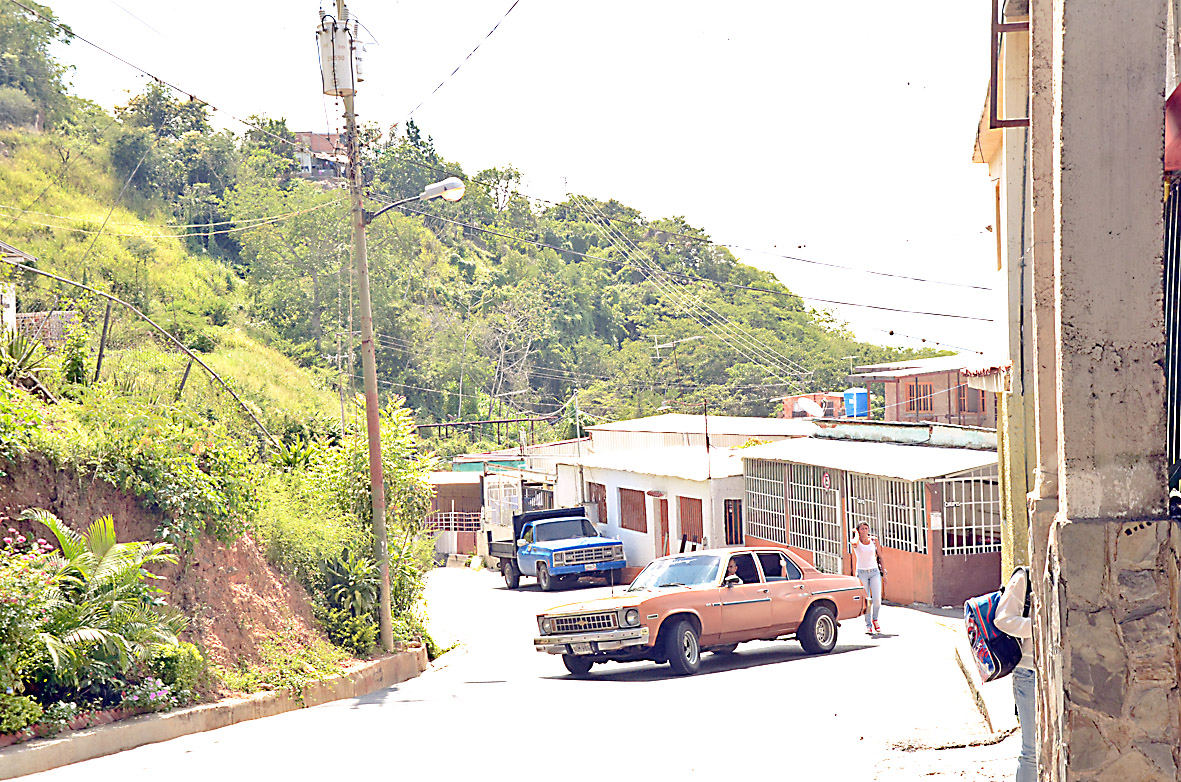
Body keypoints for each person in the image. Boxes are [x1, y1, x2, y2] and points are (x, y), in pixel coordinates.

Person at [994, 567, 1035, 782]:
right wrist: (1038, 627)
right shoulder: (1024, 578)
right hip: (1028, 673)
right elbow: (1003, 619)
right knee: (1032, 751)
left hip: (1054, 672)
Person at [851, 522, 882, 633]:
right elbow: (854, 543)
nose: (864, 531)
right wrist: (856, 533)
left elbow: (880, 555)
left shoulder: (873, 540)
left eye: (866, 528)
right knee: (867, 600)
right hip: (862, 572)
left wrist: (884, 571)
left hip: (874, 572)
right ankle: (868, 624)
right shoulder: (856, 542)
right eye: (862, 529)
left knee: (877, 599)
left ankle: (875, 619)